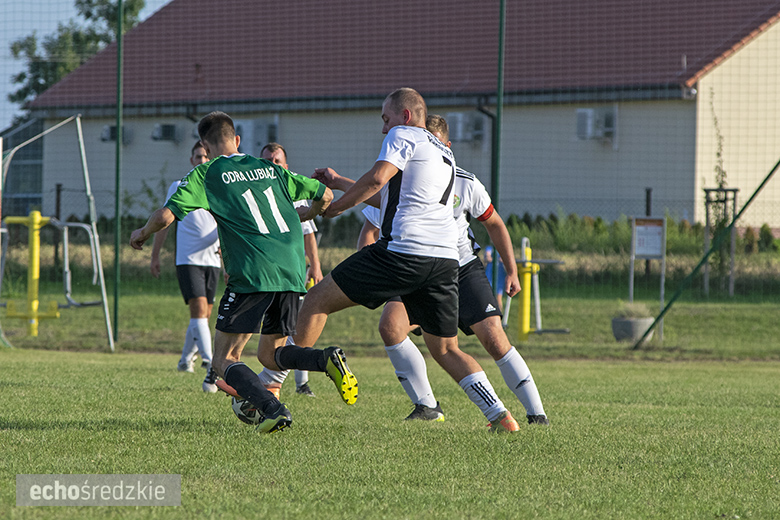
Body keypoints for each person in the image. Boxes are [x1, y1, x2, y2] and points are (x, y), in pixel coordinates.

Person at [292, 87, 521, 432]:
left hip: (404, 253)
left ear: (405, 116)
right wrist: (340, 183)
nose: (384, 129)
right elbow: (389, 196)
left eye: (386, 119)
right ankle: (500, 417)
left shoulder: (404, 134)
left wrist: (332, 209)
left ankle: (270, 387)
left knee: (315, 300)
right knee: (444, 349)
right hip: (445, 262)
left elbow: (377, 178)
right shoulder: (443, 152)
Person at [130, 111, 355, 434]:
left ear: (205, 145)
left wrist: (141, 232)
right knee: (271, 354)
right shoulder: (269, 168)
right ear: (237, 140)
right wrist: (311, 211)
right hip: (291, 269)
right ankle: (324, 359)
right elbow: (326, 194)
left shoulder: (207, 173)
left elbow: (166, 216)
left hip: (252, 272)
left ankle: (271, 409)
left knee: (223, 360)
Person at [349, 114, 548, 425]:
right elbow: (374, 204)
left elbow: (494, 223)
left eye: (436, 143)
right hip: (416, 265)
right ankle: (427, 406)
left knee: (493, 338)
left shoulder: (465, 182)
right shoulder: (402, 182)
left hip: (461, 267)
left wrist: (511, 269)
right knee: (391, 326)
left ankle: (537, 415)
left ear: (447, 147)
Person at [150, 141, 221, 393]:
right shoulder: (179, 187)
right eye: (197, 156)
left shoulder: (219, 186)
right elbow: (164, 223)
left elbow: (226, 221)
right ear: (191, 160)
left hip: (212, 259)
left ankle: (184, 361)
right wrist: (155, 255)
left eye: (205, 156)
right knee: (199, 311)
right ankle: (211, 363)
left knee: (203, 316)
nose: (202, 160)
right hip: (188, 259)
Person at [257, 142, 321, 398]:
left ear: (286, 166)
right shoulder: (255, 193)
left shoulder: (295, 191)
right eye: (266, 161)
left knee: (294, 325)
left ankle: (298, 383)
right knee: (270, 330)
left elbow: (309, 235)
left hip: (293, 271)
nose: (272, 165)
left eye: (276, 161)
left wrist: (315, 266)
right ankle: (229, 367)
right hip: (263, 271)